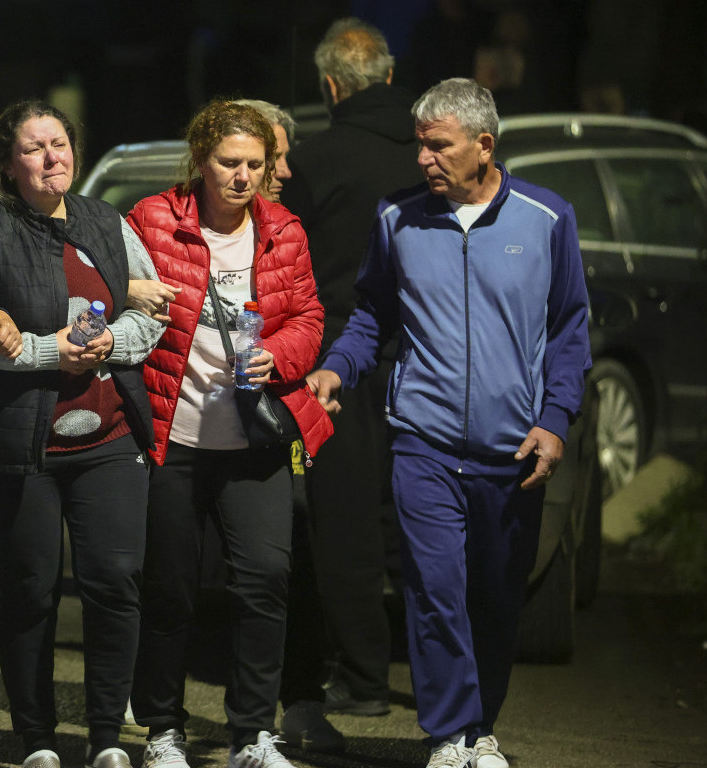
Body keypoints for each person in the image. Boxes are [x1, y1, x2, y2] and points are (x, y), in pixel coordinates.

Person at [309, 78, 591, 768]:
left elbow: (570, 330)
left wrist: (555, 421)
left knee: (494, 599)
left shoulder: (546, 218)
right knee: (434, 592)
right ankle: (448, 733)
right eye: (421, 145)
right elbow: (371, 311)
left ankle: (480, 727)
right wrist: (337, 367)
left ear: (483, 145)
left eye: (439, 146)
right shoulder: (397, 219)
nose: (423, 159)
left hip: (514, 451)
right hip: (424, 441)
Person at [0, 100, 164, 768]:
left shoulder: (107, 224)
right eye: (32, 148)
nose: (49, 157)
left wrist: (106, 342)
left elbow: (150, 315)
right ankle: (35, 739)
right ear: (9, 164)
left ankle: (105, 739)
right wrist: (43, 352)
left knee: (116, 580)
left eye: (58, 144)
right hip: (20, 447)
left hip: (109, 441)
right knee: (30, 589)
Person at [125, 101, 333, 768]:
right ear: (199, 160)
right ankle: (163, 729)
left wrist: (284, 356)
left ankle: (252, 732)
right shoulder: (154, 219)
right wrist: (131, 290)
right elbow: (106, 282)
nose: (243, 177)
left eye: (255, 165)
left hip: (254, 441)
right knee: (168, 589)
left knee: (266, 578)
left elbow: (307, 313)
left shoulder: (284, 231)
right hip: (173, 436)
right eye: (229, 163)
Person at [279, 16, 421, 723]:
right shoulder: (437, 154)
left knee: (345, 521)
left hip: (337, 362)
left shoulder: (314, 162)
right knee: (429, 522)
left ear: (331, 86)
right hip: (431, 355)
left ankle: (364, 677)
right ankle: (440, 679)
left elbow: (286, 268)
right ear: (390, 78)